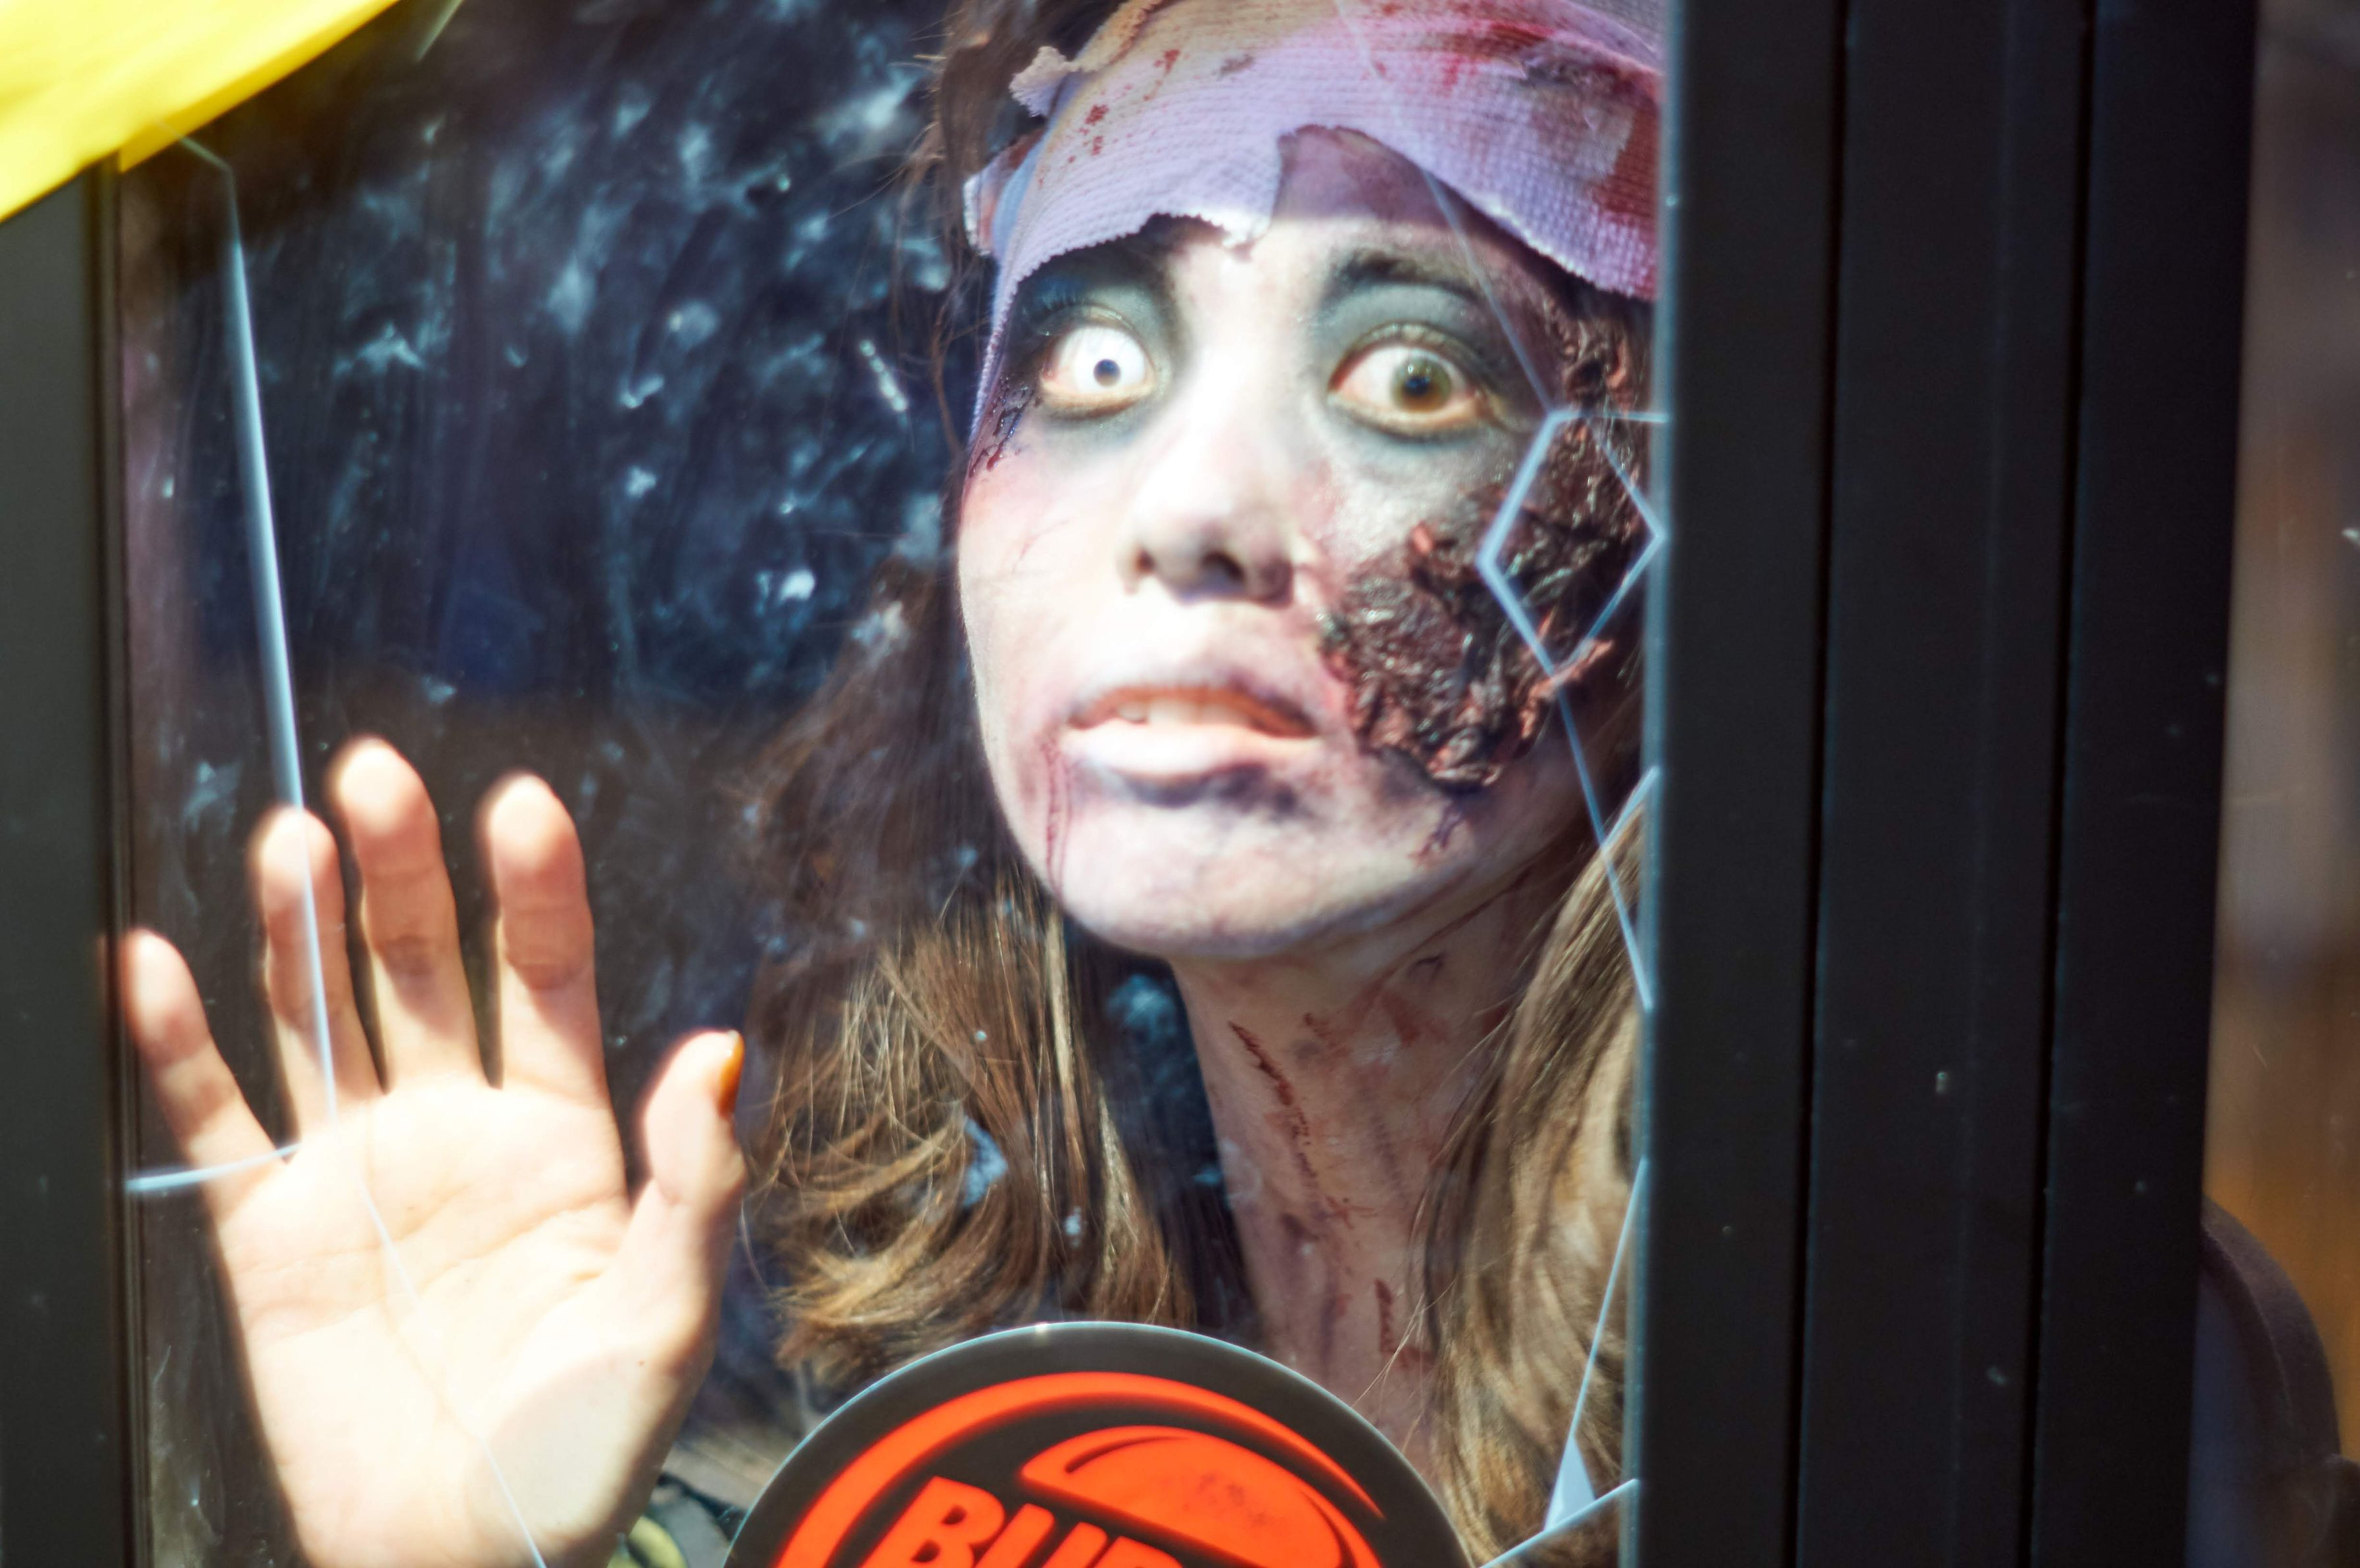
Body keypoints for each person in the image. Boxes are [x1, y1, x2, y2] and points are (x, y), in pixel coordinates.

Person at [118, 1, 1662, 1564]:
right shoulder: (892, 1461)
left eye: (1413, 377)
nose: (1188, 506)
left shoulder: (1790, 1397)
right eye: (1096, 361)